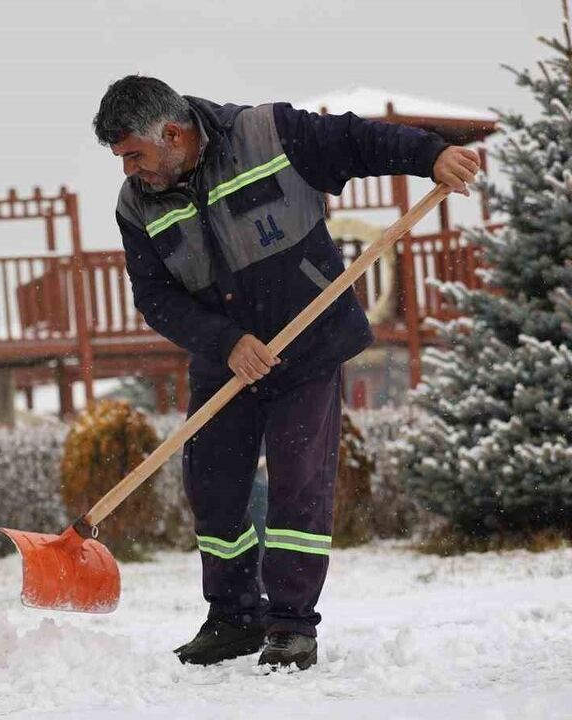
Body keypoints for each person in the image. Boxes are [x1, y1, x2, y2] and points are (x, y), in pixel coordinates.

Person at [92, 75, 478, 670]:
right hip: (226, 363)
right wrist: (226, 343)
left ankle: (292, 625)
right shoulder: (135, 204)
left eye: (133, 156)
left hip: (307, 344)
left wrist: (432, 156)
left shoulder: (266, 132)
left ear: (171, 134)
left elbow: (355, 141)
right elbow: (155, 296)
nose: (129, 172)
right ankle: (234, 617)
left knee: (299, 485)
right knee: (213, 485)